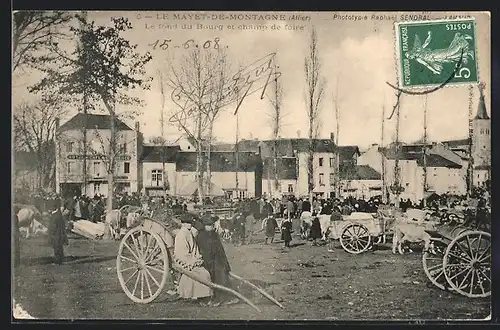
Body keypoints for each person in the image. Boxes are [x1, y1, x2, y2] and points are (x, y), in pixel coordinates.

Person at [196, 214, 238, 306]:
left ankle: (225, 297)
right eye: (209, 225)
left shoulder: (214, 234)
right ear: (205, 226)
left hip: (218, 260)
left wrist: (225, 263)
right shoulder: (201, 236)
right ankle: (216, 298)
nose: (211, 226)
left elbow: (220, 249)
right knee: (216, 279)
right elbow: (205, 252)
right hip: (209, 262)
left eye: (212, 224)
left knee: (223, 276)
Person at [173, 214, 213, 304]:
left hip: (192, 258)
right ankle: (202, 296)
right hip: (185, 261)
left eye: (190, 222)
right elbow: (182, 253)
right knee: (204, 274)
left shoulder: (188, 232)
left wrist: (197, 257)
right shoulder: (181, 235)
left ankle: (195, 294)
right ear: (183, 224)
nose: (190, 224)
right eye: (187, 223)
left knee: (201, 272)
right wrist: (193, 261)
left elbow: (194, 248)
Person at [48, 199, 70, 265]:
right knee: (59, 248)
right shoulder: (58, 215)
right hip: (60, 234)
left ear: (53, 208)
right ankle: (60, 260)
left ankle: (57, 261)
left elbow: (53, 226)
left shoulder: (54, 216)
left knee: (56, 248)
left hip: (56, 234)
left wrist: (51, 232)